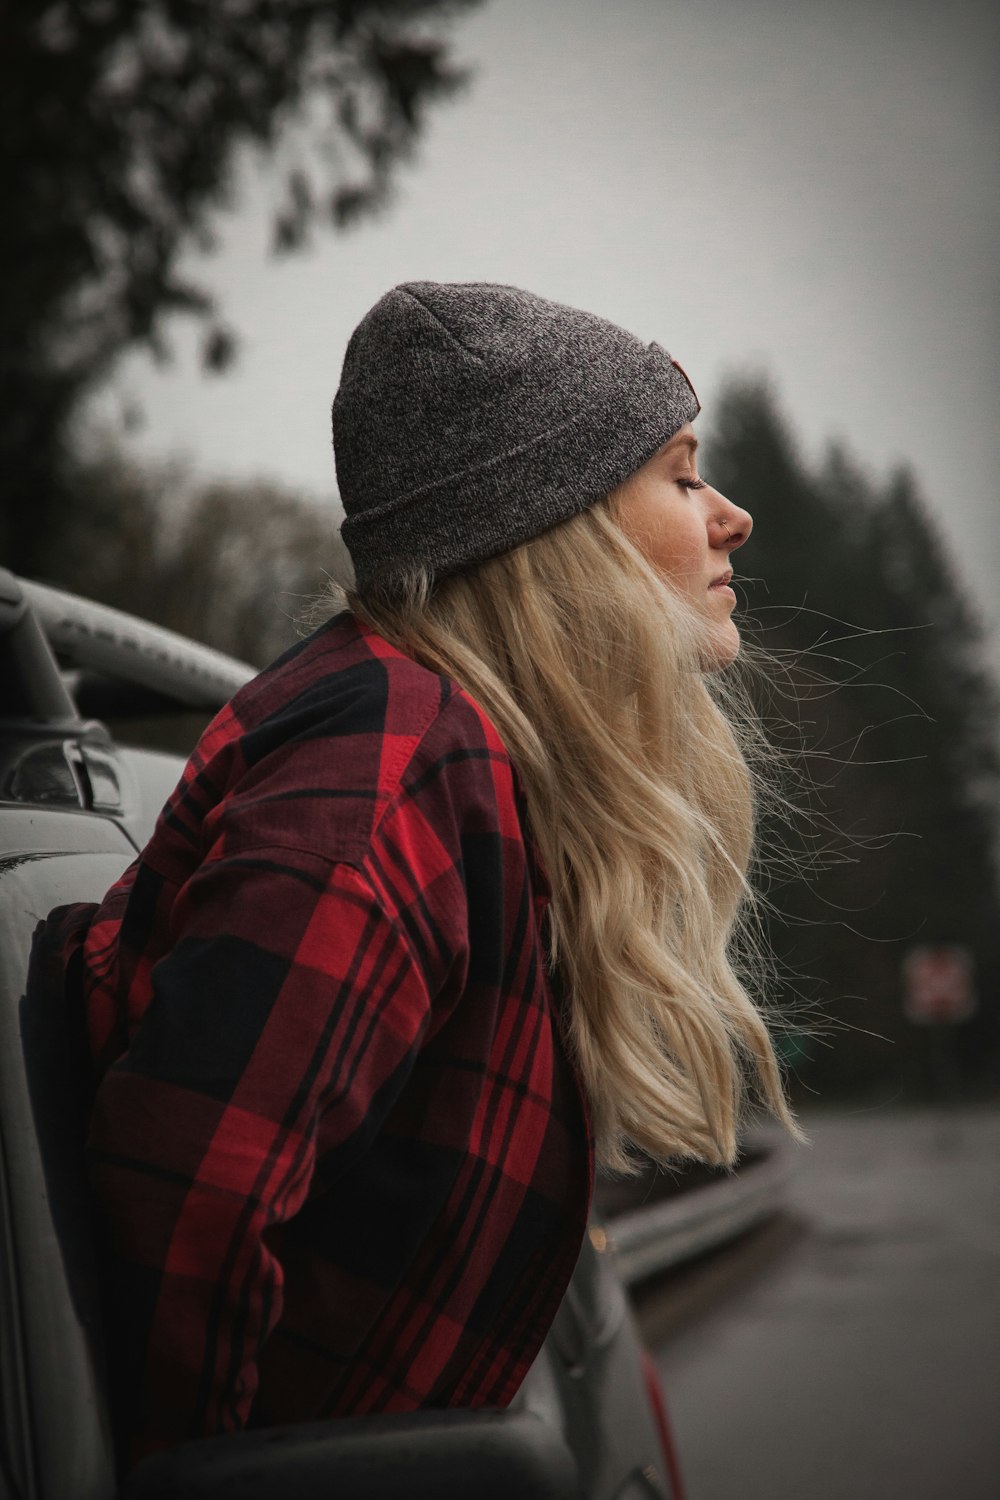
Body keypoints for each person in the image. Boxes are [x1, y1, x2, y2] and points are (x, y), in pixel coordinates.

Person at [50, 281, 799, 1467]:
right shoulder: (389, 765)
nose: (731, 515)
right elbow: (191, 1200)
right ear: (553, 522)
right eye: (680, 471)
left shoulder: (462, 757)